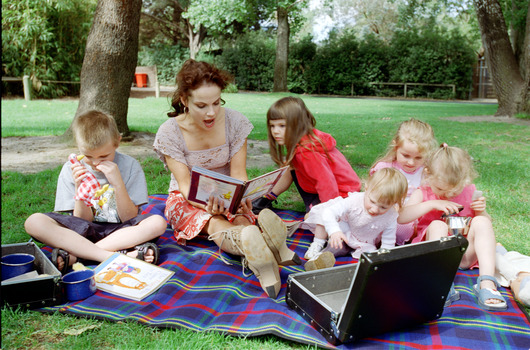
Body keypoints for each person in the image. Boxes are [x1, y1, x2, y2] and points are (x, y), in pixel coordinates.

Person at [153, 59, 299, 299]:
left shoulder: (235, 122)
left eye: (216, 103)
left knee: (240, 215)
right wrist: (209, 204)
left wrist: (241, 197)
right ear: (184, 100)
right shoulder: (170, 132)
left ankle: (258, 253)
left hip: (230, 193)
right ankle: (267, 246)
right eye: (201, 105)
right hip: (188, 199)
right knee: (213, 219)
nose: (211, 112)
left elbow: (239, 174)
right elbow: (186, 186)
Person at [25, 110, 167, 274]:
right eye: (88, 156)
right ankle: (114, 256)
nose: (95, 163)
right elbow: (80, 221)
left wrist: (118, 183)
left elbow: (129, 217)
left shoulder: (130, 166)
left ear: (117, 142)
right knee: (34, 221)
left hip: (121, 232)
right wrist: (80, 189)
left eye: (104, 156)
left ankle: (77, 256)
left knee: (157, 222)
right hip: (81, 233)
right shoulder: (71, 169)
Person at [398, 144, 507, 310]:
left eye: (454, 190)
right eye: (441, 189)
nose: (448, 195)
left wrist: (481, 211)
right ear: (428, 174)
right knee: (437, 225)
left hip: (463, 255)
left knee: (482, 222)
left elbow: (485, 227)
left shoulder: (470, 192)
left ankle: (486, 282)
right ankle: (441, 282)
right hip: (434, 257)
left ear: (464, 180)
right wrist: (432, 204)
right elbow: (402, 217)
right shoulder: (424, 192)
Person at [252, 96, 362, 259]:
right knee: (292, 168)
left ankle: (340, 242)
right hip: (326, 191)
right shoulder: (302, 141)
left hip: (342, 196)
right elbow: (292, 170)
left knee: (312, 219)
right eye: (272, 126)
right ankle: (265, 200)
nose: (275, 131)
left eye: (282, 126)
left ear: (298, 124)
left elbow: (327, 185)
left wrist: (323, 215)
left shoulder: (307, 152)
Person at [302, 168, 408, 271]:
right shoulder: (354, 200)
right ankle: (318, 247)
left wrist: (384, 259)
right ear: (367, 188)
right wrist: (335, 231)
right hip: (344, 230)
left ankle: (333, 257)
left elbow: (388, 242)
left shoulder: (391, 216)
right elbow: (329, 213)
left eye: (383, 207)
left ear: (394, 203)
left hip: (364, 241)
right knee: (331, 234)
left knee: (368, 258)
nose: (375, 209)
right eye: (372, 201)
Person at [370, 118, 437, 245]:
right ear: (396, 147)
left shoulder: (426, 173)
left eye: (418, 157)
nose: (411, 162)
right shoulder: (385, 168)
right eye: (405, 155)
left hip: (415, 220)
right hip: (386, 214)